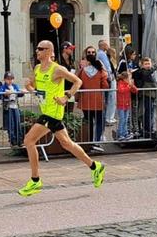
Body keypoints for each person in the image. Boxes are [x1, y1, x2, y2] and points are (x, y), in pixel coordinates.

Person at [19, 40, 105, 197]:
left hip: (53, 113)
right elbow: (33, 86)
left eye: (40, 49)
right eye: (36, 48)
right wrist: (31, 88)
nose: (37, 51)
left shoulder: (57, 69)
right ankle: (95, 166)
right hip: (46, 110)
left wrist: (66, 96)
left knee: (28, 140)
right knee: (67, 144)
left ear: (48, 51)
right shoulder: (38, 68)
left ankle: (35, 180)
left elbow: (78, 81)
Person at [78, 45, 109, 153]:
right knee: (99, 121)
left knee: (89, 121)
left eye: (92, 52)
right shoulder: (100, 71)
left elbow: (78, 83)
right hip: (97, 99)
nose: (91, 54)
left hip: (86, 99)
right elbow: (105, 85)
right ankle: (96, 141)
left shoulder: (82, 71)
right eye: (89, 52)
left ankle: (90, 142)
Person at [132, 57, 157, 138]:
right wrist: (156, 65)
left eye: (148, 64)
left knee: (150, 111)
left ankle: (149, 128)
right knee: (148, 112)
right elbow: (146, 74)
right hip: (146, 94)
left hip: (151, 95)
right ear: (142, 65)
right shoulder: (143, 72)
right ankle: (147, 129)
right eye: (146, 64)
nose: (147, 66)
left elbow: (152, 82)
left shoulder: (148, 73)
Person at [0, 71, 23, 148]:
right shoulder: (3, 87)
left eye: (11, 79)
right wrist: (5, 93)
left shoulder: (15, 86)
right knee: (11, 125)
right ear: (5, 80)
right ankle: (13, 141)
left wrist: (22, 92)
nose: (10, 80)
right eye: (8, 79)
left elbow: (20, 93)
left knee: (17, 123)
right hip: (8, 107)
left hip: (15, 107)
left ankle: (19, 140)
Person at [97, 39, 117, 125]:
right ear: (103, 45)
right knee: (111, 97)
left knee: (110, 97)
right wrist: (111, 76)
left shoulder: (101, 54)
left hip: (107, 77)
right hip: (109, 78)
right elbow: (107, 66)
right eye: (107, 44)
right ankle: (109, 118)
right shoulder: (102, 54)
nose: (108, 46)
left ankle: (108, 117)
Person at [115, 70, 137, 140]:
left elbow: (135, 90)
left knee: (126, 119)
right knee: (122, 120)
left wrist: (132, 86)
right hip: (121, 105)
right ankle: (120, 134)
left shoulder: (128, 84)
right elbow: (121, 90)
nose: (130, 80)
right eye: (129, 78)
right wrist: (129, 86)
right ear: (125, 79)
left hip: (127, 105)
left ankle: (125, 133)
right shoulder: (120, 83)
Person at [58, 41, 77, 114]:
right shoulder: (58, 61)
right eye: (70, 49)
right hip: (61, 89)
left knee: (70, 112)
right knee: (61, 111)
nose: (72, 50)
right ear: (64, 49)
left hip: (70, 89)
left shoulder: (72, 61)